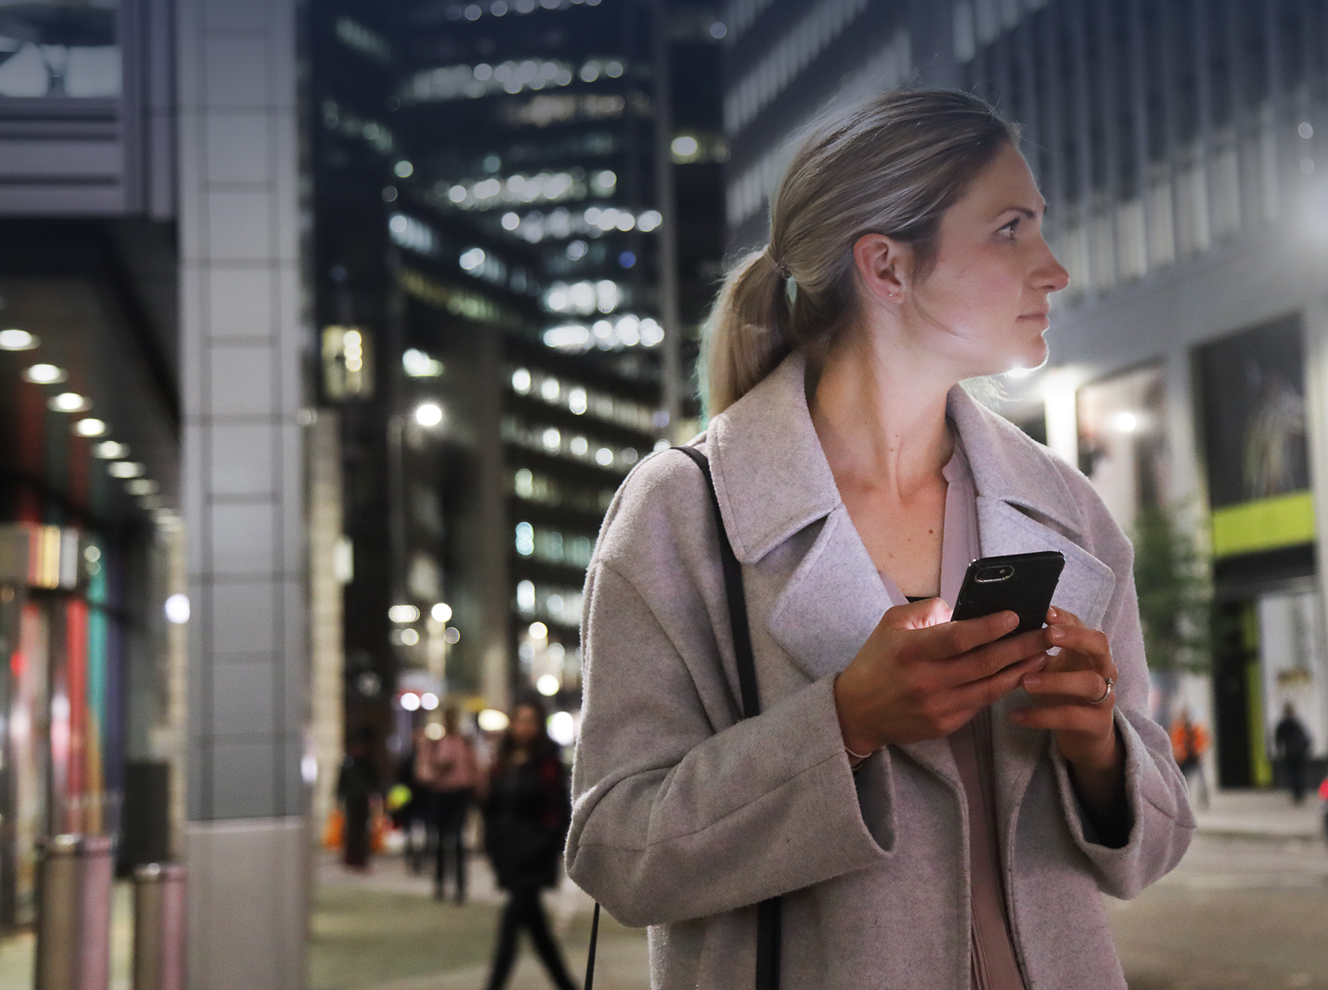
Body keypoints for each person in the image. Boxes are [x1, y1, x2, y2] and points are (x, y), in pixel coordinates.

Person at [568, 89, 1193, 990]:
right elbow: (618, 849)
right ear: (886, 267)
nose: (1052, 269)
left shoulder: (1066, 508)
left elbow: (1156, 843)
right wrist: (844, 724)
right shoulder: (683, 513)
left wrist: (1101, 750)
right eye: (1010, 230)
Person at [482, 697, 577, 990]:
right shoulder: (504, 763)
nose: (522, 727)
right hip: (508, 855)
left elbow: (557, 814)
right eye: (518, 720)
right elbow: (493, 807)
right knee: (537, 930)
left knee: (511, 926)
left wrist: (538, 847)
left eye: (529, 721)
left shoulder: (547, 764)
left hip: (532, 858)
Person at [418, 706, 479, 903]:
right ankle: (440, 884)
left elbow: (474, 769)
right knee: (440, 841)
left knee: (458, 841)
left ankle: (460, 886)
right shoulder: (434, 743)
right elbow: (423, 770)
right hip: (439, 794)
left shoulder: (465, 742)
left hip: (459, 794)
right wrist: (437, 767)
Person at [336, 729, 380, 873]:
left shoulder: (367, 764)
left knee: (363, 830)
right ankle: (351, 857)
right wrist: (339, 798)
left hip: (363, 801)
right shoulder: (348, 764)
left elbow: (375, 782)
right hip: (351, 801)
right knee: (351, 830)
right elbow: (341, 784)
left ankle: (361, 857)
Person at [394, 726, 433, 875]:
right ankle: (413, 858)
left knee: (427, 832)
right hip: (411, 801)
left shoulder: (430, 759)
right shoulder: (408, 759)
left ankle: (425, 858)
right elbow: (401, 780)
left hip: (426, 800)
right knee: (411, 832)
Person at [1169, 707, 1210, 811]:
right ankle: (1179, 801)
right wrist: (1178, 753)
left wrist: (1199, 752)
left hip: (1194, 758)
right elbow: (1175, 744)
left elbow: (1203, 743)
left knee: (1202, 781)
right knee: (1182, 780)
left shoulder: (1196, 729)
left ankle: (1204, 800)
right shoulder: (1178, 729)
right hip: (1183, 759)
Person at [1274, 702, 1312, 804]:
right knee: (1299, 774)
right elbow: (1306, 738)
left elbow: (1278, 740)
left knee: (1293, 774)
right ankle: (1300, 793)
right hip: (1299, 753)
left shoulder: (1284, 724)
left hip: (1291, 753)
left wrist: (1279, 751)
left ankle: (1297, 794)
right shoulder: (1296, 723)